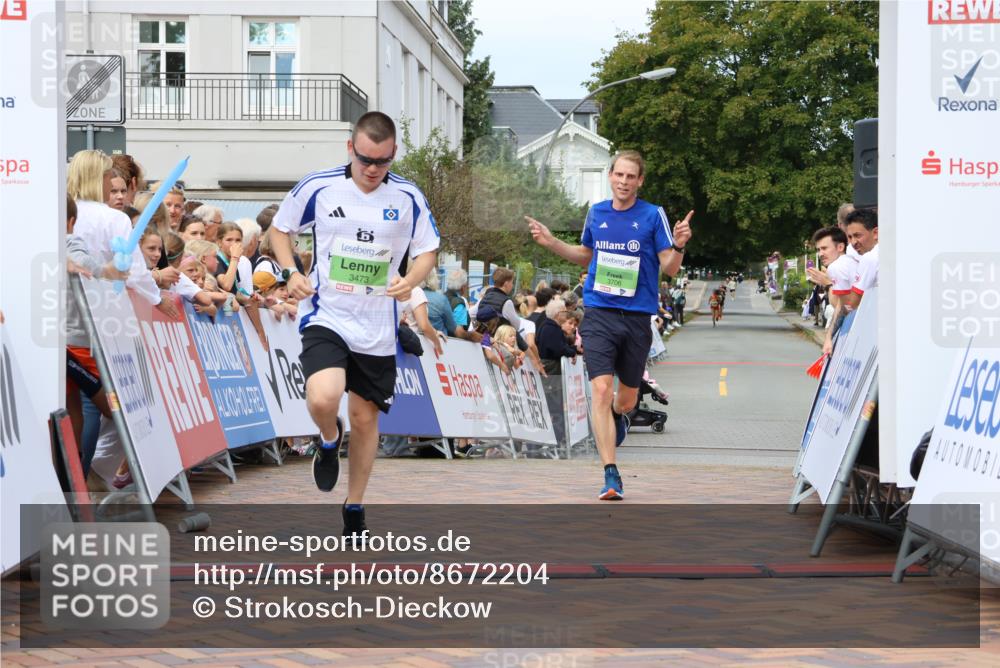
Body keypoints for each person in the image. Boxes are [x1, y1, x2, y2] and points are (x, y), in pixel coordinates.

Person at [269, 111, 439, 536]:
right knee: (324, 397)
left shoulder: (408, 197)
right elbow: (279, 230)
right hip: (327, 315)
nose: (372, 169)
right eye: (365, 159)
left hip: (377, 326)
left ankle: (355, 505)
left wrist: (411, 281)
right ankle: (328, 438)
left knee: (365, 420)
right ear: (350, 148)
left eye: (382, 161)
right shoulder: (320, 186)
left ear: (394, 153)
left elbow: (427, 251)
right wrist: (291, 272)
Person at [527, 149, 692, 500]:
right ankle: (611, 474)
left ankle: (621, 416)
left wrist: (678, 245)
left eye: (631, 176)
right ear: (610, 176)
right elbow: (586, 255)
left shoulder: (653, 215)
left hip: (637, 318)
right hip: (599, 312)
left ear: (640, 181)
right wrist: (551, 241)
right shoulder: (597, 212)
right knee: (601, 391)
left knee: (626, 400)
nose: (624, 181)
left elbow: (670, 266)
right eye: (619, 175)